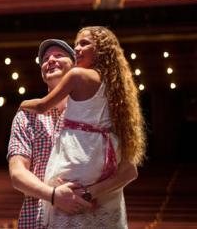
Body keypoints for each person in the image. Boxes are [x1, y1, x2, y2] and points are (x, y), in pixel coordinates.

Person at [20, 26, 146, 228]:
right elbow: (130, 171)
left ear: (101, 50)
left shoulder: (77, 75)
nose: (77, 48)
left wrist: (21, 105)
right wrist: (92, 191)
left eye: (84, 43)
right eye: (76, 44)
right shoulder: (115, 88)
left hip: (80, 157)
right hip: (104, 164)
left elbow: (42, 105)